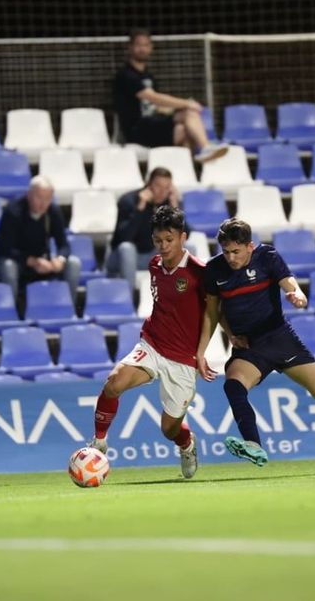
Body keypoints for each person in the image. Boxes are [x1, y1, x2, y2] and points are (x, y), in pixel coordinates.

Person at [195, 218, 315, 467]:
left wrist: (297, 295)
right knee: (233, 386)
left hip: (280, 338)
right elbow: (213, 312)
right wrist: (205, 350)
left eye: (236, 251)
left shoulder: (267, 256)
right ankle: (254, 445)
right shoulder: (214, 270)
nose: (231, 258)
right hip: (249, 347)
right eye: (226, 251)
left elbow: (291, 285)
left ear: (250, 246)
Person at [89, 205, 214, 479]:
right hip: (153, 344)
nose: (163, 246)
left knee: (169, 429)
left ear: (183, 237)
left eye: (169, 240)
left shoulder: (200, 273)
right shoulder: (154, 265)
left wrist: (202, 353)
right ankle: (99, 442)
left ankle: (186, 443)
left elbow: (213, 314)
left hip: (182, 359)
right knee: (114, 383)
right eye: (158, 240)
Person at [113, 28, 227, 163]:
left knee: (185, 127)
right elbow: (152, 97)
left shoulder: (149, 76)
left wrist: (176, 110)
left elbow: (157, 106)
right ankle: (205, 148)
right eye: (138, 45)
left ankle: (188, 169)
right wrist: (186, 103)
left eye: (146, 45)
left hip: (153, 124)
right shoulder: (125, 75)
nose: (142, 49)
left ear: (151, 48)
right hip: (137, 130)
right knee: (188, 112)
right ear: (130, 47)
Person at [0, 175, 81, 302]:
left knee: (73, 263)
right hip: (16, 260)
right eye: (39, 197)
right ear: (29, 194)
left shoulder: (53, 211)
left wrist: (60, 260)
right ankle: (11, 310)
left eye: (48, 199)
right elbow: (4, 248)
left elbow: (64, 245)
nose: (43, 203)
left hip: (42, 261)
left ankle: (68, 307)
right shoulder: (13, 211)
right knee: (9, 266)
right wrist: (32, 261)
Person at [106, 167, 180, 293]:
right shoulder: (128, 200)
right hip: (121, 257)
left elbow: (185, 234)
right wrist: (140, 208)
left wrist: (175, 209)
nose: (162, 192)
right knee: (127, 248)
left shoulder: (168, 204)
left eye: (167, 187)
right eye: (158, 186)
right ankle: (128, 299)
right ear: (149, 185)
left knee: (186, 246)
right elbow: (124, 237)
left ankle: (181, 299)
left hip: (151, 256)